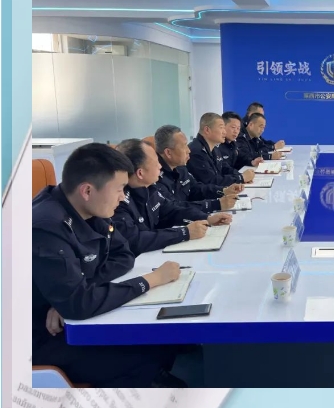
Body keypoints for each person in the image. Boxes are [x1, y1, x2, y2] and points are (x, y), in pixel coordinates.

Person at [33, 143, 187, 387]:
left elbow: (123, 255)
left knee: (163, 344)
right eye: (118, 189)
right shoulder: (46, 226)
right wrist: (150, 280)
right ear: (87, 190)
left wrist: (73, 294)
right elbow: (79, 304)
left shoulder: (89, 209)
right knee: (146, 356)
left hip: (67, 316)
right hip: (40, 338)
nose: (122, 197)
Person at [113, 138, 232, 256]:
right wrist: (184, 233)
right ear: (140, 173)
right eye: (156, 162)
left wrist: (207, 218)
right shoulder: (118, 200)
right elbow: (136, 240)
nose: (160, 166)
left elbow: (172, 210)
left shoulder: (149, 189)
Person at [154, 124, 242, 213]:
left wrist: (223, 190)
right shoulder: (155, 176)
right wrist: (216, 204)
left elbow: (196, 189)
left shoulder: (180, 167)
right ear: (168, 153)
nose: (188, 150)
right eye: (184, 146)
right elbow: (174, 208)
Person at [187, 112, 255, 186]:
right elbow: (211, 181)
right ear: (207, 130)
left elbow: (224, 168)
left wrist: (241, 176)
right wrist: (240, 178)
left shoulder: (214, 148)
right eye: (221, 128)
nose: (224, 132)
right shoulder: (196, 152)